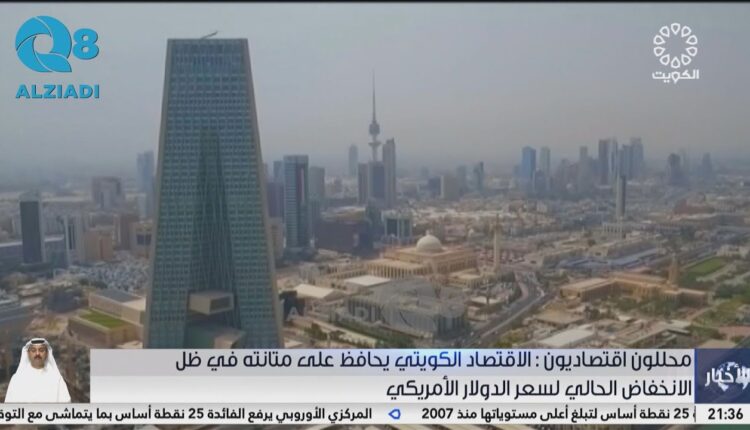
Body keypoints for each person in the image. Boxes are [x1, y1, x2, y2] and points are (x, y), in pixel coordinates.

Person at [4, 338, 71, 403]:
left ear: (47, 353)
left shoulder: (57, 379)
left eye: (41, 350)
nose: (37, 353)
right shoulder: (17, 379)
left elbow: (66, 404)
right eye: (33, 350)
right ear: (28, 353)